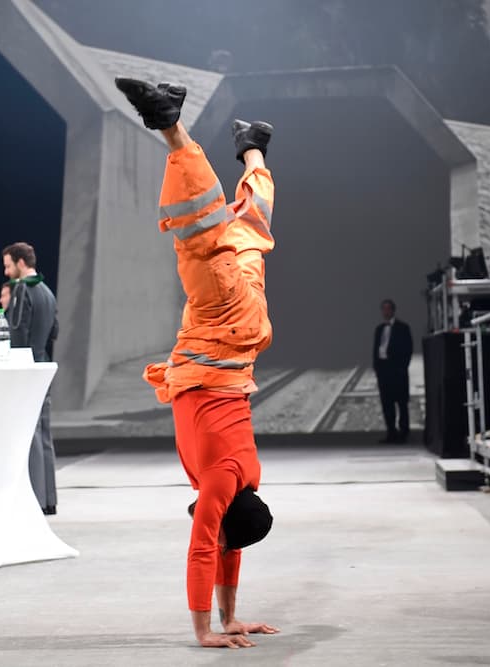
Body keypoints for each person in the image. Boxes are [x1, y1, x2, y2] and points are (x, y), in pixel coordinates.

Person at [115, 77, 280, 648]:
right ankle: (171, 126)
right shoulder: (221, 482)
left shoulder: (246, 482)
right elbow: (208, 547)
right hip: (222, 329)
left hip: (238, 341)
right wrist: (206, 630)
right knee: (203, 238)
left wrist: (233, 616)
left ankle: (253, 145)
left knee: (250, 235)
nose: (203, 521)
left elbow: (228, 546)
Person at [2, 242, 59, 515]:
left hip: (27, 367)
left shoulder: (23, 289)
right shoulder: (47, 292)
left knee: (31, 432)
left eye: (8, 265)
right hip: (45, 364)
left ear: (20, 262)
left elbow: (17, 332)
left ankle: (34, 499)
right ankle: (48, 499)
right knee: (44, 433)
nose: (6, 271)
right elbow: (54, 331)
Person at [372, 299, 412, 444]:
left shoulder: (403, 327)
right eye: (383, 309)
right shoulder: (379, 329)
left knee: (401, 402)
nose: (385, 312)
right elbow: (376, 349)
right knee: (386, 402)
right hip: (383, 369)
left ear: (393, 310)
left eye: (388, 309)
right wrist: (377, 368)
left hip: (397, 369)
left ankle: (404, 432)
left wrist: (402, 367)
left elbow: (408, 349)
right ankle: (391, 432)